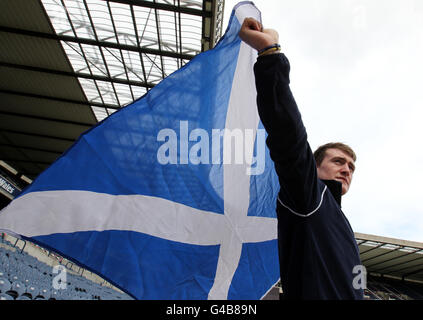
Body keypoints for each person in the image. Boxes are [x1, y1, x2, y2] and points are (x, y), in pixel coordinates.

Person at [239, 17, 364, 299]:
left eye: (351, 166)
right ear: (315, 167)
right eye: (338, 161)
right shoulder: (309, 198)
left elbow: (357, 285)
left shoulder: (341, 223)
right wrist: (271, 55)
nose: (347, 169)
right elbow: (289, 140)